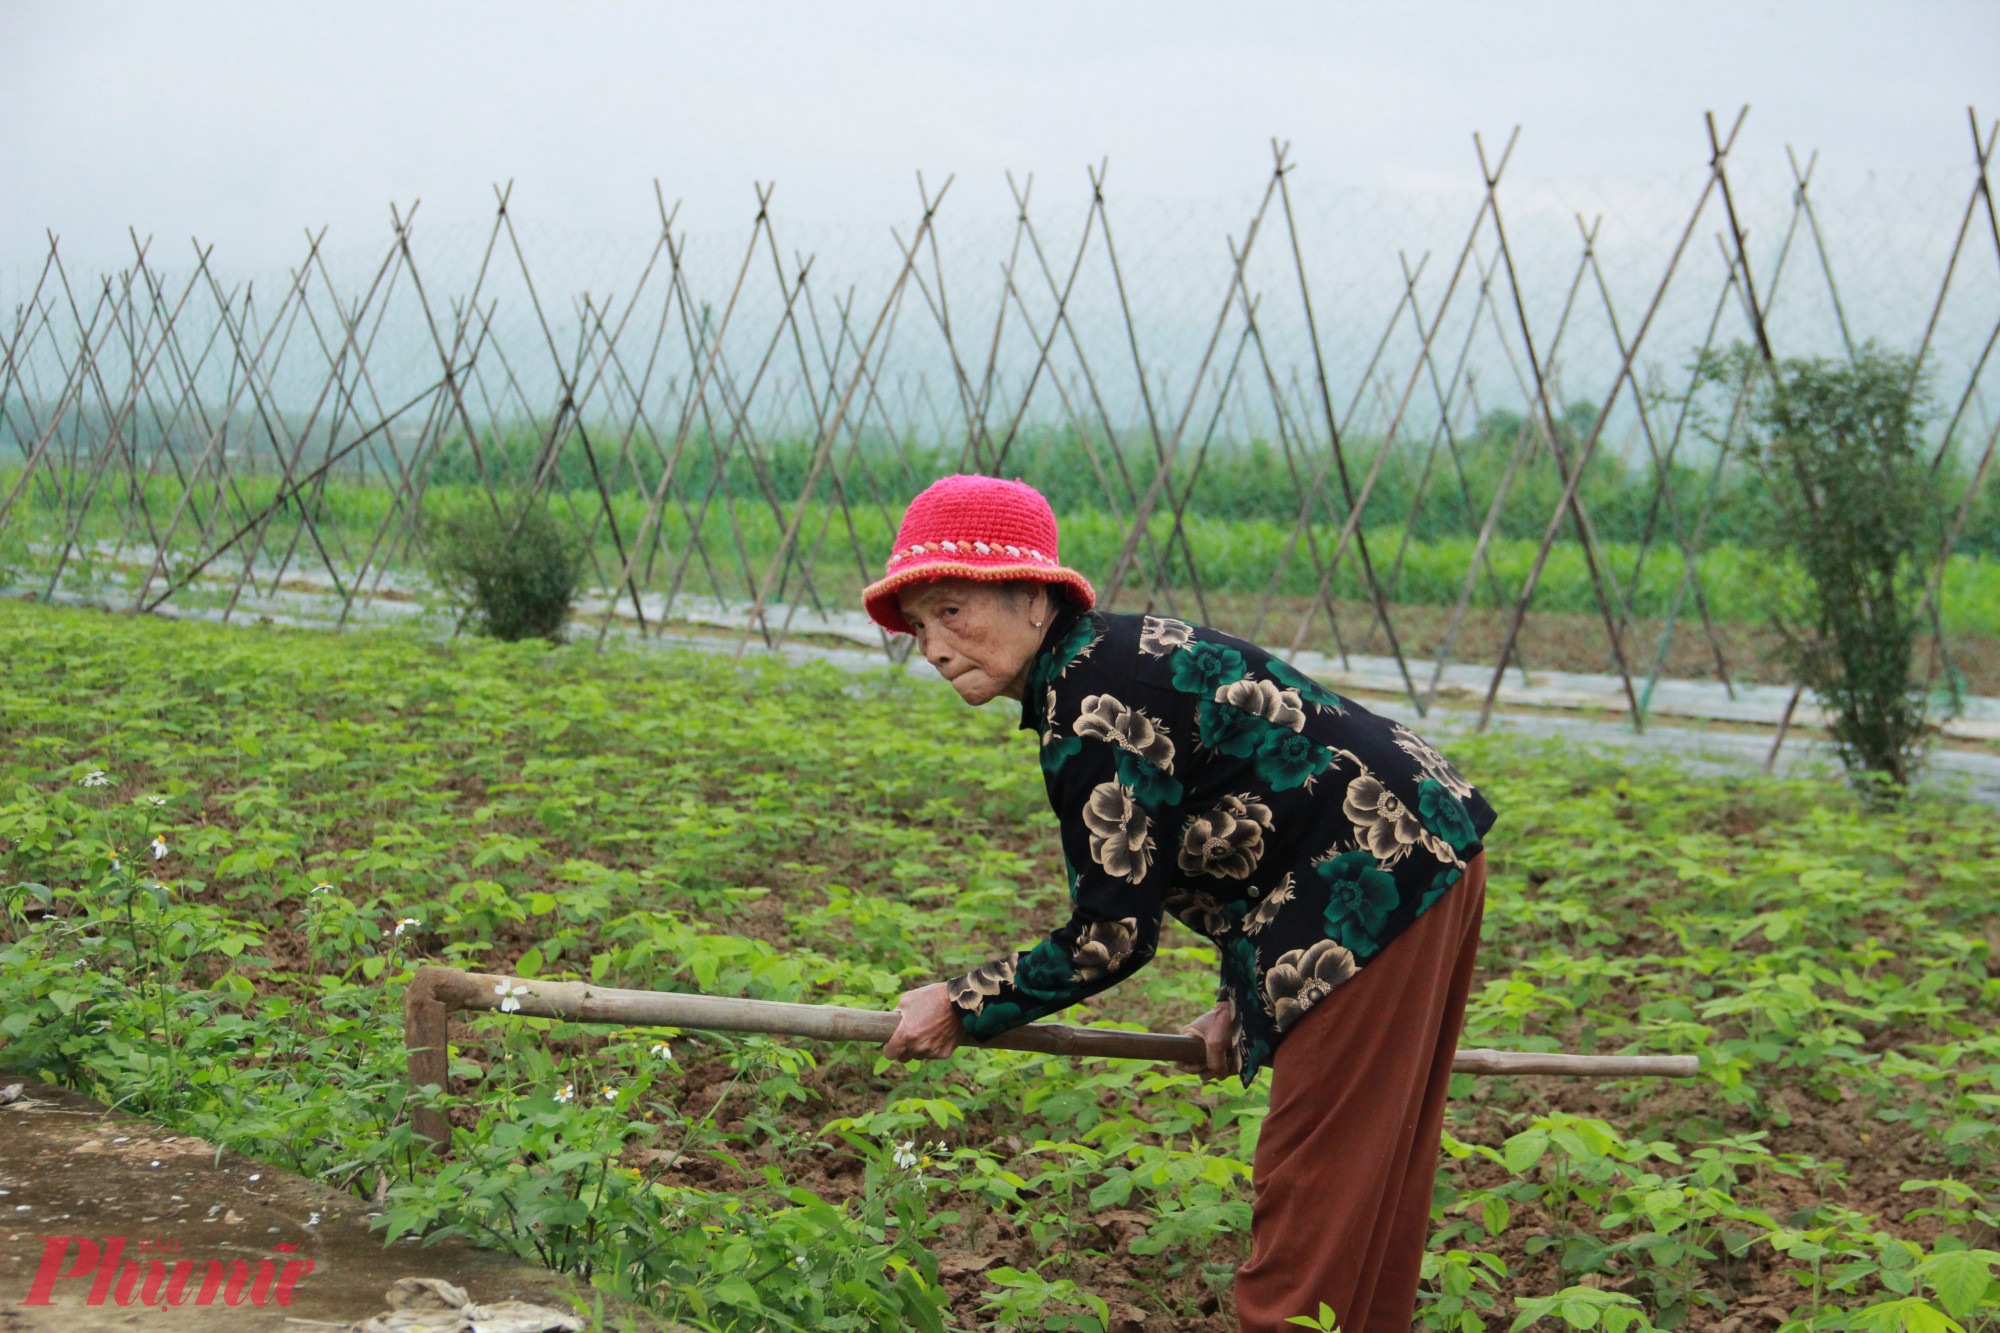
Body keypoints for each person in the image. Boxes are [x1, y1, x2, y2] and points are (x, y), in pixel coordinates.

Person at [866, 474, 1495, 1333]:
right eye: (919, 626)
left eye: (953, 610)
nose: (934, 646)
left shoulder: (1092, 703)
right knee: (1368, 1180)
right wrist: (1250, 993)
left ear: (1032, 593)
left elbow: (1113, 934)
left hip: (1377, 877)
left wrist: (963, 1003)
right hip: (1415, 845)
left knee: (1314, 1183)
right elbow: (1253, 823)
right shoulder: (1106, 665)